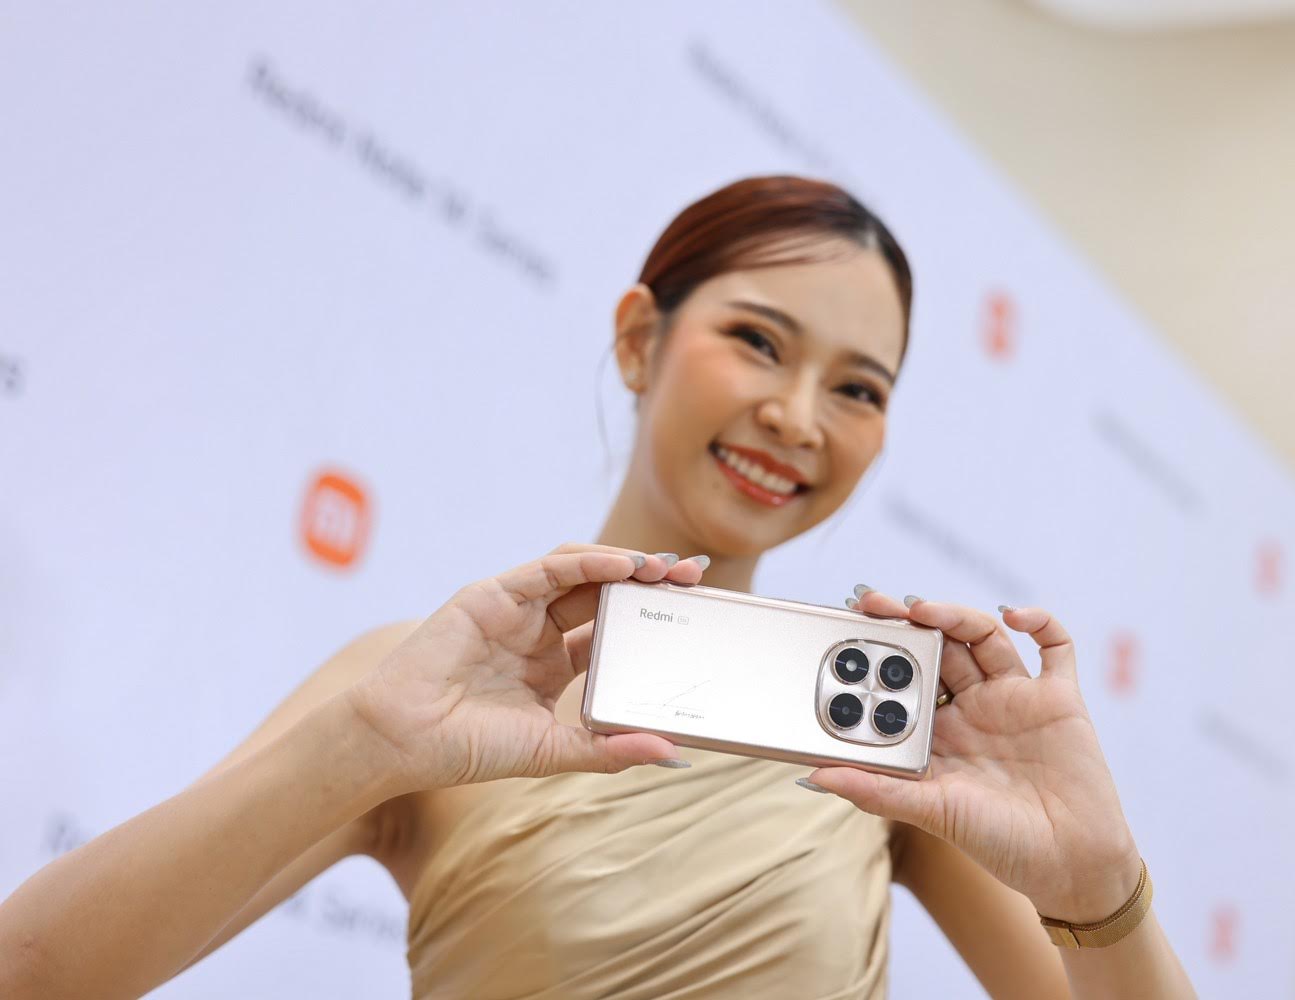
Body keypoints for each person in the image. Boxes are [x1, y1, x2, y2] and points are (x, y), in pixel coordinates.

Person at [0, 177, 1195, 998]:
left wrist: (1099, 881)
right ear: (638, 339)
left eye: (858, 389)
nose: (798, 416)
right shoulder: (418, 685)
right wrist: (361, 748)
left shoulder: (895, 744)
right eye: (760, 341)